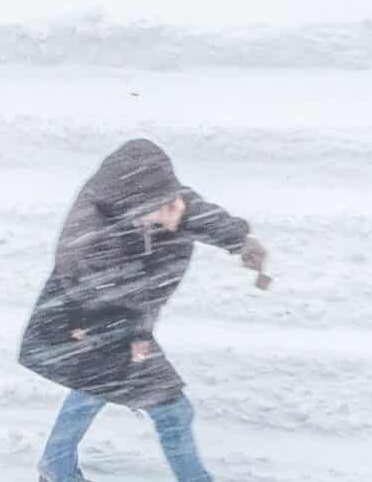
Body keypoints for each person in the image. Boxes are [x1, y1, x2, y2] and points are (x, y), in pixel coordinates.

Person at [19, 139, 269, 482]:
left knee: (95, 387)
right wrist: (137, 334)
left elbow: (191, 212)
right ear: (138, 210)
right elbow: (108, 294)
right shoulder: (92, 233)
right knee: (170, 409)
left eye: (176, 202)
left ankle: (55, 467)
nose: (177, 217)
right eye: (167, 211)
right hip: (85, 321)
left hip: (119, 321)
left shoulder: (157, 192)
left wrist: (240, 241)